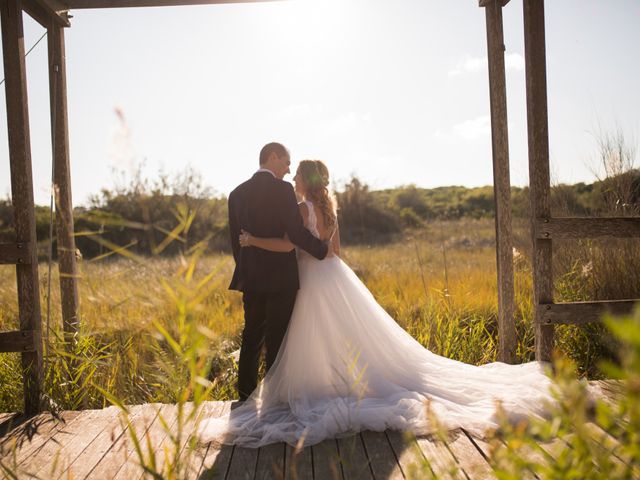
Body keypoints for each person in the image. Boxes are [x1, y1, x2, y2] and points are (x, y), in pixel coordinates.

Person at [199, 159, 557, 447]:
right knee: (347, 335)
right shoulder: (329, 208)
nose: (292, 181)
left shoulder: (301, 207)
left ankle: (303, 390)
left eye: (297, 178)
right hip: (335, 275)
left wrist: (261, 244)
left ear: (305, 182)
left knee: (310, 335)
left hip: (309, 279)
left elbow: (295, 245)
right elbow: (333, 252)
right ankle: (338, 382)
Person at [227, 143, 329, 401]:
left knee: (251, 336)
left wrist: (248, 268)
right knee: (277, 339)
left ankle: (245, 396)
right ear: (272, 157)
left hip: (251, 278)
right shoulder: (283, 190)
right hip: (281, 277)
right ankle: (274, 398)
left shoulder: (236, 194)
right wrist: (320, 250)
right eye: (286, 162)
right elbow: (294, 233)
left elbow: (235, 243)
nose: (288, 169)